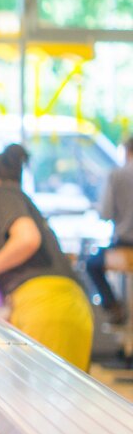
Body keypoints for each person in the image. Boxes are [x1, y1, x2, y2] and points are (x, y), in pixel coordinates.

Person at [0, 144, 93, 370]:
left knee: (44, 403)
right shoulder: (24, 200)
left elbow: (27, 239)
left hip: (47, 308)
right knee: (67, 402)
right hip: (71, 306)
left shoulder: (1, 192)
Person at [86, 135, 133, 324]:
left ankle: (114, 308)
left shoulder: (117, 174)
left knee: (91, 264)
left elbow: (105, 213)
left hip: (124, 245)